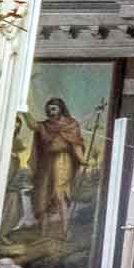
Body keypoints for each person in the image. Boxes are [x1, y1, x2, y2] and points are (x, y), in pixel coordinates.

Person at [29, 98, 88, 241]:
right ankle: (43, 234)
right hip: (46, 162)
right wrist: (23, 110)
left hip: (63, 160)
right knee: (43, 195)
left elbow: (76, 143)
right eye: (49, 109)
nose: (51, 111)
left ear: (61, 108)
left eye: (54, 108)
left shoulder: (71, 124)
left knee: (59, 193)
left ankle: (65, 231)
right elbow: (32, 125)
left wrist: (81, 159)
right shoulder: (45, 126)